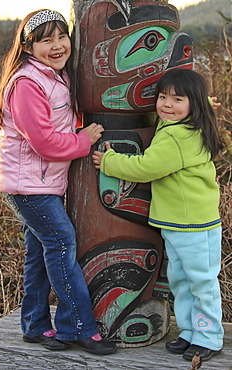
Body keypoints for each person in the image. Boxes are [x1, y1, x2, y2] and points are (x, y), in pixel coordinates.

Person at [0, 9, 117, 355]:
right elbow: (44, 142)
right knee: (61, 242)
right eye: (47, 40)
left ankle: (33, 324)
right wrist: (84, 140)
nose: (58, 45)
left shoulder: (54, 76)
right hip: (28, 187)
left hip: (39, 182)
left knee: (38, 252)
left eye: (62, 37)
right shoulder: (28, 83)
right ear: (29, 47)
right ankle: (77, 327)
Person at [92, 68, 224, 362]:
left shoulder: (179, 136)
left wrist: (110, 161)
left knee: (200, 282)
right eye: (163, 97)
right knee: (181, 281)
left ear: (194, 105)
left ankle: (209, 337)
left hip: (194, 226)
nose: (167, 104)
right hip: (177, 225)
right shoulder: (181, 125)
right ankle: (191, 331)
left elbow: (147, 167)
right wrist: (200, 103)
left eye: (178, 99)